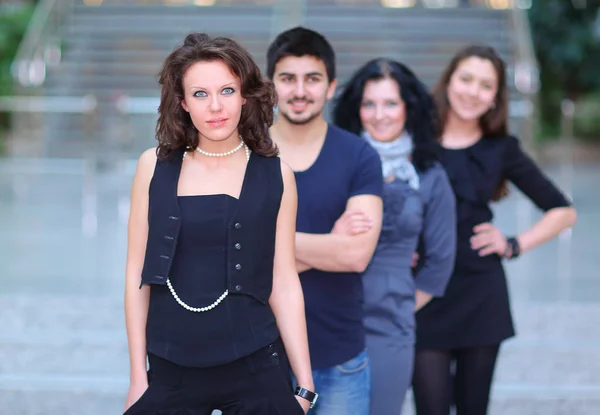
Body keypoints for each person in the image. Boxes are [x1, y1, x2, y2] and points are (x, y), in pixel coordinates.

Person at [123, 32, 316, 415]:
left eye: (227, 90)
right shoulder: (152, 166)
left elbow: (283, 279)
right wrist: (136, 378)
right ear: (182, 103)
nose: (215, 106)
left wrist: (306, 385)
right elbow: (134, 275)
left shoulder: (278, 174)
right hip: (169, 369)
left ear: (245, 95)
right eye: (200, 94)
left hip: (256, 367)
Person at [412, 45, 578, 415]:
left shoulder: (501, 148)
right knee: (430, 408)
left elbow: (563, 211)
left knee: (474, 409)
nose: (472, 91)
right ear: (448, 81)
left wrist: (514, 244)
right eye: (466, 79)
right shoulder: (414, 139)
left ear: (494, 99)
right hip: (423, 294)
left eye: (485, 85)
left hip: (480, 296)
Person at [266, 27, 384, 415]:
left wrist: (267, 244)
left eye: (312, 79)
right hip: (258, 357)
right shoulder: (247, 154)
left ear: (331, 87)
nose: (300, 91)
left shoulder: (359, 155)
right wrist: (326, 244)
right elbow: (223, 253)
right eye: (288, 79)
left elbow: (355, 256)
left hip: (340, 357)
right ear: (270, 86)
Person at [332, 58, 456, 415]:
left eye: (390, 103)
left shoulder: (429, 175)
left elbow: (440, 262)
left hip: (391, 328)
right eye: (369, 103)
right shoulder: (335, 161)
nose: (379, 115)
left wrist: (398, 301)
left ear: (408, 108)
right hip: (328, 318)